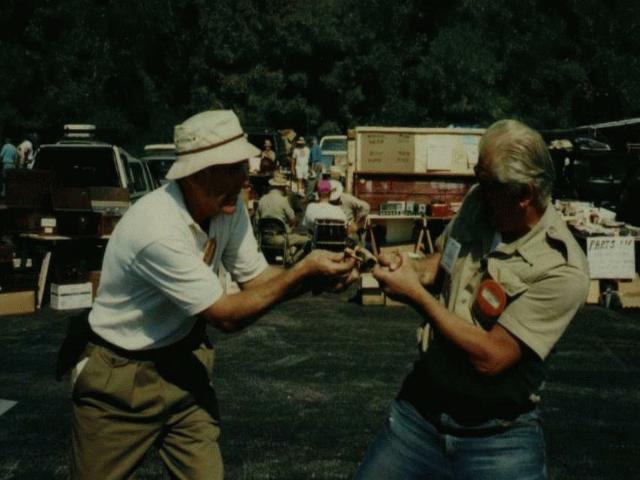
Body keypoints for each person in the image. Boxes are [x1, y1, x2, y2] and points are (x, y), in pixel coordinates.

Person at [68, 110, 356, 479]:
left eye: (243, 166)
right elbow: (226, 316)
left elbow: (257, 280)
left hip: (184, 364)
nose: (245, 177)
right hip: (120, 379)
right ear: (196, 174)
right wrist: (302, 271)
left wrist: (317, 279)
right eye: (233, 168)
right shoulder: (157, 228)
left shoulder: (226, 206)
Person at [354, 119, 590, 480]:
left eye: (487, 183)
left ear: (524, 194)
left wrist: (415, 296)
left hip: (500, 440)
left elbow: (491, 358)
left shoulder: (561, 269)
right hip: (419, 415)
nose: (476, 189)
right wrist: (410, 268)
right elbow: (443, 263)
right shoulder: (479, 204)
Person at [257, 175, 311, 261]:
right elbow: (293, 219)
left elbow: (257, 220)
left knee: (290, 237)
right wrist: (291, 224)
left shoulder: (262, 200)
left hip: (264, 238)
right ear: (281, 188)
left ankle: (288, 255)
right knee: (308, 240)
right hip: (280, 238)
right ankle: (292, 260)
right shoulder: (283, 201)